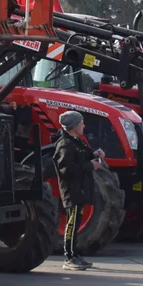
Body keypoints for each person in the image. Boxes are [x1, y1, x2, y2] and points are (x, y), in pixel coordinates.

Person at [53, 110, 104, 271]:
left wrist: (95, 154)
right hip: (72, 191)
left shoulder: (76, 141)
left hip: (80, 190)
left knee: (75, 223)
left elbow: (83, 156)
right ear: (74, 126)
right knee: (72, 223)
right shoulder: (65, 145)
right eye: (81, 123)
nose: (84, 125)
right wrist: (91, 166)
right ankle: (69, 257)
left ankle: (75, 255)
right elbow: (67, 169)